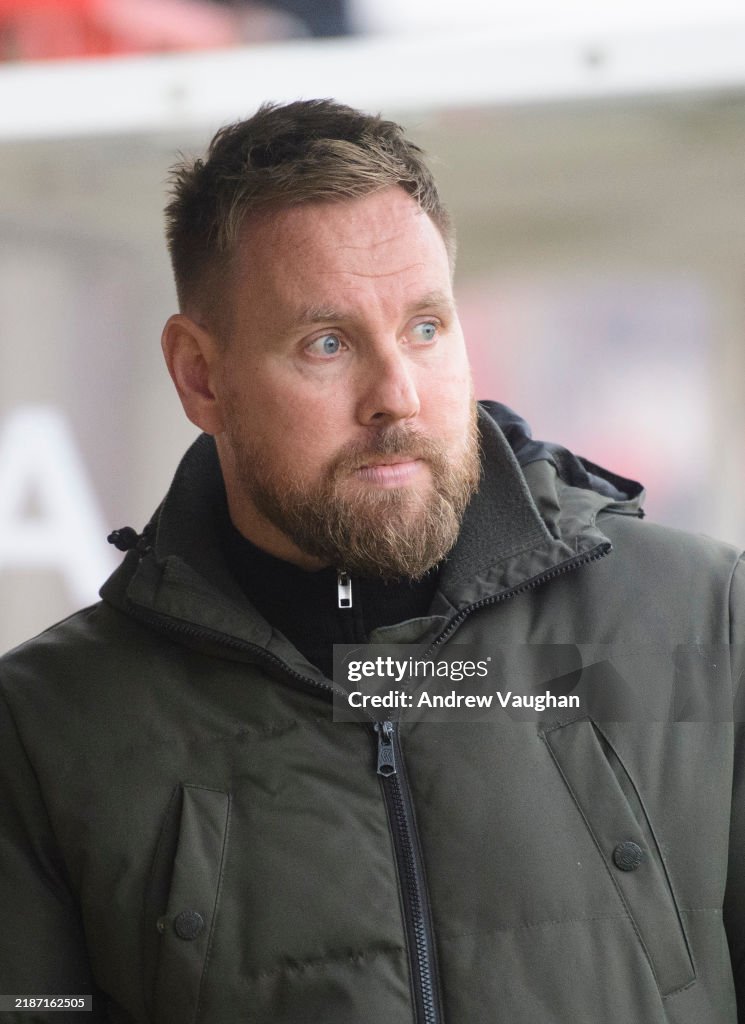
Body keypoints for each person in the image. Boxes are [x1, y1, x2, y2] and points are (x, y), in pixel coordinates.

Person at [0, 98, 743, 1024]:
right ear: (200, 376)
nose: (396, 396)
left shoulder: (705, 618)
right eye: (326, 343)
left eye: (425, 328)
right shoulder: (44, 726)